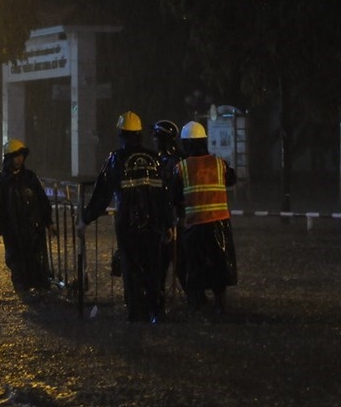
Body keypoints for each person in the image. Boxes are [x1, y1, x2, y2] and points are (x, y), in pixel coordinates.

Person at [78, 111, 172, 324]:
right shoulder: (155, 159)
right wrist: (168, 223)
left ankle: (136, 314)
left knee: (131, 269)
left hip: (128, 225)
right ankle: (156, 312)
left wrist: (85, 219)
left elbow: (101, 194)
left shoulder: (115, 159)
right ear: (139, 134)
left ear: (121, 134)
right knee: (153, 268)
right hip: (154, 224)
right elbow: (164, 194)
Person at [171, 121, 237, 313]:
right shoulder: (219, 164)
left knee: (195, 264)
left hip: (195, 225)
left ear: (187, 144)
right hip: (219, 223)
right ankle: (220, 303)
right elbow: (231, 179)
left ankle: (195, 303)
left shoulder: (181, 167)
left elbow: (174, 196)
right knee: (219, 263)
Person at [0, 139, 55, 294]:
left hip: (33, 228)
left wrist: (49, 222)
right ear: (8, 158)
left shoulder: (30, 177)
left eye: (21, 156)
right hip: (12, 230)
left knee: (36, 259)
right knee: (17, 260)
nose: (19, 159)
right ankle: (22, 288)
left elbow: (42, 200)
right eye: (16, 156)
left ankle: (39, 286)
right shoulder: (0, 180)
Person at [151, 119, 186, 297]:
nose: (153, 140)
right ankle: (159, 296)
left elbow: (174, 193)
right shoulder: (159, 160)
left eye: (156, 137)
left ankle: (194, 296)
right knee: (161, 263)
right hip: (163, 219)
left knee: (178, 261)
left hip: (174, 220)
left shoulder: (176, 162)